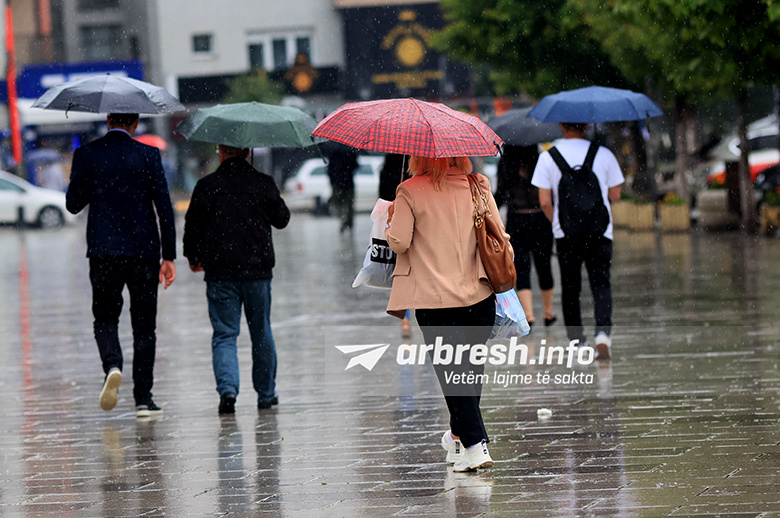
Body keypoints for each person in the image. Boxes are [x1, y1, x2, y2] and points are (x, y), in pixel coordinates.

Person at [385, 155, 507, 472]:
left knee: (454, 374)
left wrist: (392, 218)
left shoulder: (409, 190)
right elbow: (500, 233)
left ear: (417, 157)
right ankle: (457, 438)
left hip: (435, 301)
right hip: (480, 295)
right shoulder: (477, 184)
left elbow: (399, 242)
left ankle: (476, 446)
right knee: (469, 371)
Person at [66, 112, 176, 418]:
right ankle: (143, 399)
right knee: (144, 328)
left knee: (105, 318)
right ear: (135, 122)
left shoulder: (86, 154)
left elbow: (73, 204)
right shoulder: (149, 155)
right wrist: (169, 256)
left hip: (104, 252)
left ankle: (112, 365)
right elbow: (164, 208)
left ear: (108, 119)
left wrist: (90, 181)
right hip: (143, 253)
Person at [183, 144, 290, 415]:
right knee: (261, 331)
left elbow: (192, 226)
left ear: (221, 152)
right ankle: (266, 394)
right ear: (248, 152)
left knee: (224, 334)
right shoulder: (262, 183)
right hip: (257, 272)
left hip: (220, 273)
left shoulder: (207, 186)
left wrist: (193, 257)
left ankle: (228, 391)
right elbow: (282, 219)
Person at [531, 122, 624, 360]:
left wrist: (559, 221)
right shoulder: (603, 154)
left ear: (561, 125)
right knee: (601, 284)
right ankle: (602, 334)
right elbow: (615, 195)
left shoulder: (548, 157)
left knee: (571, 289)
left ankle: (578, 342)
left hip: (566, 234)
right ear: (586, 125)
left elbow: (544, 202)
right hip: (600, 231)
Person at [494, 144, 556, 327]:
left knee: (521, 267)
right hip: (540, 219)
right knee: (544, 264)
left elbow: (501, 194)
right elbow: (549, 193)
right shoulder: (540, 161)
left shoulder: (506, 163)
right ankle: (548, 311)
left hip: (517, 219)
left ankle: (528, 314)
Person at [378, 153, 413, 338]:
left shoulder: (388, 169)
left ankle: (405, 318)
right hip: (414, 227)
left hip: (396, 228)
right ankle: (412, 314)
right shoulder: (416, 172)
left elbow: (382, 200)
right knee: (415, 273)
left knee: (401, 274)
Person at [325, 142, 359, 232]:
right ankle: (347, 220)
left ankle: (343, 218)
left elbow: (330, 172)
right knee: (348, 204)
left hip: (338, 184)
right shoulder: (349, 151)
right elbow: (355, 166)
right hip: (347, 183)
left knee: (338, 203)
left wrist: (333, 182)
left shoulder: (333, 154)